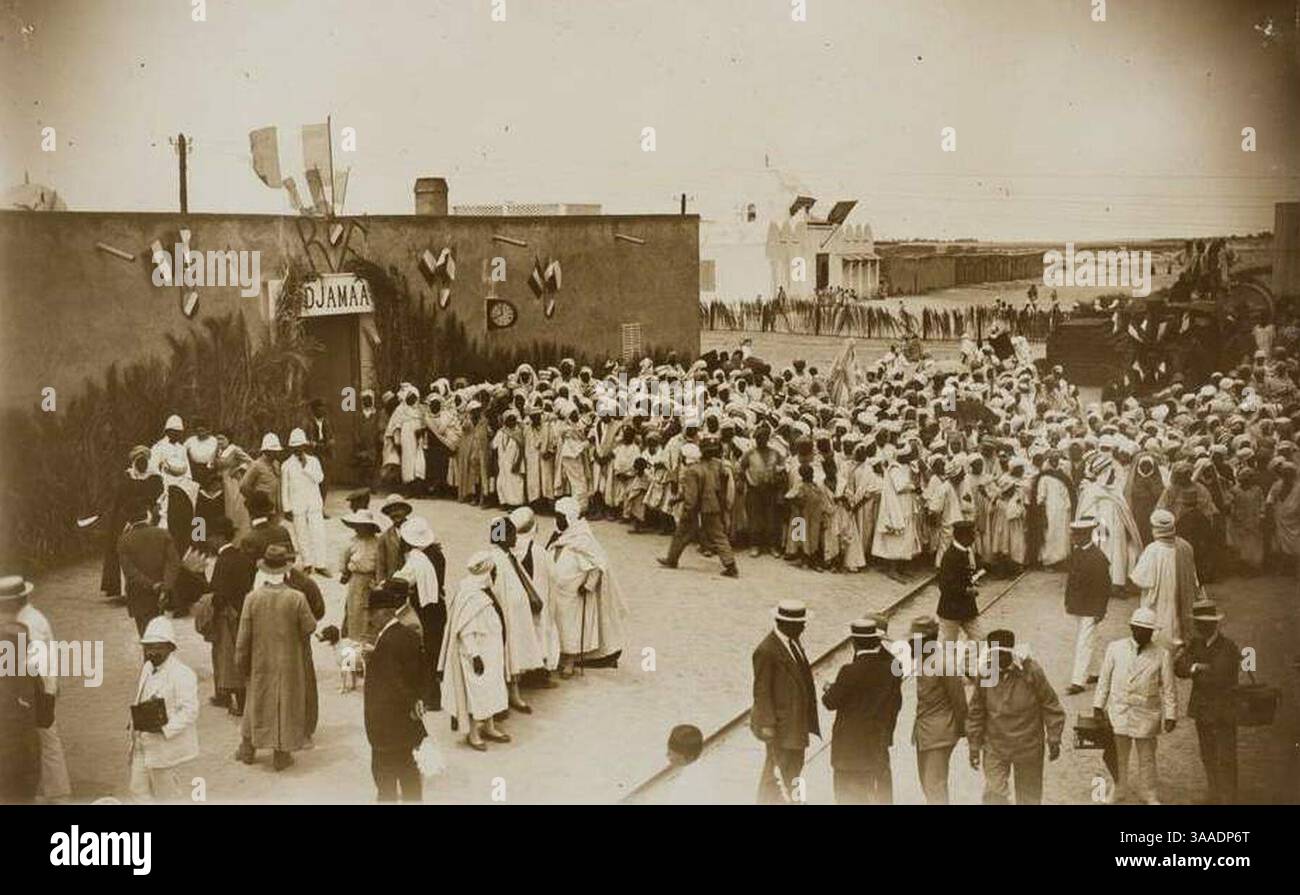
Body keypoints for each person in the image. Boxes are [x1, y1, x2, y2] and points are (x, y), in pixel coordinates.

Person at [234, 544, 319, 771]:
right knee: (286, 704)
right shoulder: (297, 597)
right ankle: (281, 753)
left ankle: (248, 747)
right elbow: (309, 627)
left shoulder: (252, 598)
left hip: (260, 660)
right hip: (289, 661)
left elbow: (243, 636)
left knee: (256, 701)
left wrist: (240, 661)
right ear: (285, 568)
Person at [967, 628, 1065, 805]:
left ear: (1011, 653)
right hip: (995, 746)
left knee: (1029, 797)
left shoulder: (1032, 671)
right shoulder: (985, 673)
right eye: (992, 654)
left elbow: (1051, 706)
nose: (996, 659)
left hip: (1028, 746)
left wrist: (1054, 737)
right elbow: (976, 711)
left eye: (1000, 654)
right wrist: (974, 745)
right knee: (994, 795)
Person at [1093, 607, 1177, 804]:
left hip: (1147, 713)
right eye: (1139, 629)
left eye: (1148, 631)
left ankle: (1149, 792)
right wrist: (1098, 705)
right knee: (1118, 755)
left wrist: (1171, 714)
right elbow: (1104, 679)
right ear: (1131, 627)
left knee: (1147, 757)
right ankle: (1118, 788)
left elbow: (1169, 687)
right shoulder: (1115, 648)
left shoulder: (1162, 654)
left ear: (1152, 633)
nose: (1143, 634)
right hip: (1119, 711)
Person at [821, 618, 902, 804]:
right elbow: (895, 704)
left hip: (849, 750)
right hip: (877, 744)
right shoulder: (893, 666)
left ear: (854, 642)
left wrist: (830, 688)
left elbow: (830, 702)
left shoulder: (849, 671)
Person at [547, 496, 628, 676]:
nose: (557, 520)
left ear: (569, 517)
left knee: (570, 627)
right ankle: (558, 656)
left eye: (560, 516)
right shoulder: (560, 534)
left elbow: (599, 565)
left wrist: (588, 585)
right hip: (556, 592)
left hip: (574, 595)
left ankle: (570, 661)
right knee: (556, 626)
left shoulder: (583, 538)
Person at [440, 551, 511, 751]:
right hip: (477, 655)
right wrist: (475, 656)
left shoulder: (482, 591)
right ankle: (474, 733)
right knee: (475, 695)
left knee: (490, 690)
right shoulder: (471, 597)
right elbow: (465, 631)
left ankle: (489, 726)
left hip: (491, 652)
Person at [364, 579, 428, 802]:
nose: (370, 619)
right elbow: (419, 672)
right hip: (407, 727)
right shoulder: (408, 635)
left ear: (383, 613)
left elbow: (393, 682)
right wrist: (416, 702)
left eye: (371, 613)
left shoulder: (387, 643)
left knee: (384, 780)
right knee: (409, 772)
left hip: (387, 727)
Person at [751, 600, 820, 803]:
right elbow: (761, 691)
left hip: (795, 724)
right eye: (801, 623)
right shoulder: (766, 650)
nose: (804, 627)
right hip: (781, 725)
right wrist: (767, 726)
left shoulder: (792, 643)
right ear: (786, 623)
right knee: (778, 772)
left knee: (789, 769)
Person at [1174, 599, 1241, 804]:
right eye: (1198, 622)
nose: (1200, 626)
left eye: (1204, 622)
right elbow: (1179, 668)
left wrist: (1194, 668)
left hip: (1223, 710)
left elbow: (1218, 677)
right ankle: (1214, 792)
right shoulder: (1196, 643)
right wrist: (1196, 668)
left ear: (1214, 624)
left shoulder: (1229, 647)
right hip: (1202, 710)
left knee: (1226, 755)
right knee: (1207, 753)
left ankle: (1229, 797)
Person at [128, 617, 199, 803]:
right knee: (138, 791)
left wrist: (164, 728)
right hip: (142, 743)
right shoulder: (147, 668)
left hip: (165, 748)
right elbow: (142, 697)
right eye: (148, 647)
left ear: (170, 647)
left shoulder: (182, 674)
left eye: (157, 647)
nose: (151, 652)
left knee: (167, 796)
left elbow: (190, 711)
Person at [487, 516, 547, 713]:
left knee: (515, 652)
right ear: (503, 536)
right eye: (512, 533)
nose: (516, 537)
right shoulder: (495, 559)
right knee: (506, 654)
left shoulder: (508, 556)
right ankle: (507, 696)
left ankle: (513, 692)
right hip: (506, 616)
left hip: (516, 615)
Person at [907, 614, 967, 804]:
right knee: (927, 785)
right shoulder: (923, 658)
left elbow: (959, 701)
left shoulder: (944, 663)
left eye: (913, 641)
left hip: (941, 733)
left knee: (935, 786)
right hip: (924, 733)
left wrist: (963, 730)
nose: (909, 645)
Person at [658, 439, 739, 577]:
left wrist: (686, 508)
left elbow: (691, 496)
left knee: (681, 533)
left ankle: (672, 559)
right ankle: (730, 564)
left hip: (696, 508)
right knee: (718, 536)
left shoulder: (692, 471)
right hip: (713, 506)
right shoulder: (718, 465)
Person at [395, 516, 446, 708]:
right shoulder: (437, 554)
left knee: (425, 651)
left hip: (423, 609)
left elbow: (402, 581)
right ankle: (435, 694)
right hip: (438, 605)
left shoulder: (416, 560)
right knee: (435, 650)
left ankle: (430, 696)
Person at [1131, 508, 1199, 649]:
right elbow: (1194, 578)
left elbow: (1141, 580)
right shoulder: (1186, 547)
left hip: (1159, 600)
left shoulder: (1153, 550)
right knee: (1177, 628)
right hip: (1182, 599)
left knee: (1161, 629)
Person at [208, 516, 253, 716]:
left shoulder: (222, 561)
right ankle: (241, 701)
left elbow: (219, 594)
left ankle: (233, 700)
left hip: (228, 616)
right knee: (243, 656)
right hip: (245, 611)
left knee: (226, 659)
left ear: (218, 538)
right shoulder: (243, 556)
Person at [117, 499, 179, 635]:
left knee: (145, 633)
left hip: (139, 593)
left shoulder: (124, 540)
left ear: (129, 520)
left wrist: (152, 585)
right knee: (161, 633)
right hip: (162, 594)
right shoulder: (163, 534)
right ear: (147, 515)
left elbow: (130, 572)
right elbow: (173, 563)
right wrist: (166, 586)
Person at [1063, 518, 1111, 695]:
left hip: (1091, 608)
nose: (1073, 537)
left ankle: (1078, 681)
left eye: (1076, 534)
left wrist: (1100, 610)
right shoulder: (1077, 553)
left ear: (1085, 535)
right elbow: (1071, 579)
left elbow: (1104, 587)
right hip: (1078, 605)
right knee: (1091, 639)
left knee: (1084, 642)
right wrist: (1068, 601)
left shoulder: (1098, 558)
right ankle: (1097, 671)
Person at [281, 428, 328, 575]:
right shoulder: (286, 465)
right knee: (301, 535)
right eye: (295, 447)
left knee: (318, 534)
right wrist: (286, 508)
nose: (298, 450)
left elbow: (320, 478)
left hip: (314, 504)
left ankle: (321, 564)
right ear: (291, 448)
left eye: (300, 446)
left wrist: (305, 466)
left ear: (305, 446)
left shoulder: (313, 461)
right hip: (297, 505)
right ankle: (307, 563)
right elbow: (284, 488)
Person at [339, 509, 384, 646]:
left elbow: (381, 564)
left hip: (372, 581)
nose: (360, 529)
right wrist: (346, 574)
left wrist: (378, 582)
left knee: (371, 616)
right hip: (356, 582)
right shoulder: (350, 543)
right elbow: (344, 563)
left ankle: (369, 655)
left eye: (364, 525)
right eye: (358, 525)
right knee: (355, 614)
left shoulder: (378, 543)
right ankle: (351, 658)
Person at [935, 519, 983, 644]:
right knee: (948, 646)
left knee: (979, 639)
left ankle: (967, 662)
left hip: (967, 608)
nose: (974, 538)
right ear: (963, 536)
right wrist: (967, 590)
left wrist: (973, 580)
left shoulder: (967, 551)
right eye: (972, 535)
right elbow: (944, 586)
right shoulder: (950, 556)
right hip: (951, 610)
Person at [239, 433, 283, 514]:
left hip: (275, 508)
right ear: (266, 451)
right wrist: (255, 500)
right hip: (262, 510)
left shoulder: (276, 464)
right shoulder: (256, 465)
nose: (276, 453)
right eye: (273, 451)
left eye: (276, 451)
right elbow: (243, 486)